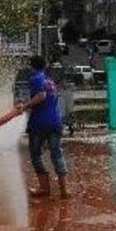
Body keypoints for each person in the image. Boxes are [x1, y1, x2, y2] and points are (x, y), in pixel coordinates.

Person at [17, 55, 69, 199]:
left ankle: (44, 188)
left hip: (39, 123)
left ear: (31, 66)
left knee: (36, 155)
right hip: (55, 122)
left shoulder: (35, 78)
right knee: (56, 154)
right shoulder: (49, 80)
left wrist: (24, 106)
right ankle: (64, 190)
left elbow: (41, 96)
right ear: (44, 65)